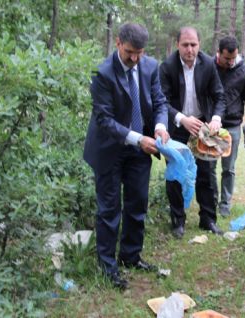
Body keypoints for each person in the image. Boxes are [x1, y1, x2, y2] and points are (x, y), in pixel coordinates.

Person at [83, 22, 170, 289]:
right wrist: (137, 139)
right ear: (118, 42)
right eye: (130, 52)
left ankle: (130, 256)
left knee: (137, 203)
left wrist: (159, 126)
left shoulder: (150, 66)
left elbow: (159, 102)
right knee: (109, 209)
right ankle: (108, 266)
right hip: (108, 149)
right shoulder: (102, 73)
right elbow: (105, 120)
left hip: (140, 149)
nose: (134, 59)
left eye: (139, 53)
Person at [159, 26, 226, 239]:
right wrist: (181, 119)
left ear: (199, 44)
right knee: (176, 174)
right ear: (178, 45)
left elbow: (219, 96)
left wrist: (215, 119)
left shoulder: (208, 64)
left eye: (193, 45)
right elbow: (161, 101)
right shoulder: (167, 66)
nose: (190, 49)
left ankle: (208, 219)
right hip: (177, 127)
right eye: (185, 45)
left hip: (203, 127)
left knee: (206, 173)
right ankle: (178, 221)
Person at [210, 36, 245, 217]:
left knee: (228, 168)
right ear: (219, 53)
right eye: (227, 58)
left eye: (233, 58)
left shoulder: (244, 71)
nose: (231, 62)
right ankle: (212, 200)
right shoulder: (209, 67)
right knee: (210, 167)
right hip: (212, 126)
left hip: (233, 126)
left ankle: (225, 203)